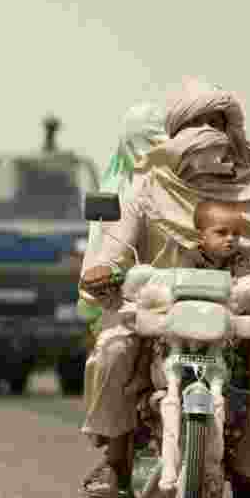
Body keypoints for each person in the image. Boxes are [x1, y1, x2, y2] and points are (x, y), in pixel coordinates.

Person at [79, 78, 250, 498]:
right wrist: (105, 271)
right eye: (198, 123)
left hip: (232, 312)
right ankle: (114, 459)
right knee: (113, 347)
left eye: (218, 123)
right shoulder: (146, 187)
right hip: (155, 310)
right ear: (177, 129)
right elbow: (116, 247)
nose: (210, 133)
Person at [79, 103, 167, 337]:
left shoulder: (194, 190)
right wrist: (104, 273)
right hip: (132, 301)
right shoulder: (124, 194)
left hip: (192, 299)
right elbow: (110, 253)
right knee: (116, 350)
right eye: (148, 142)